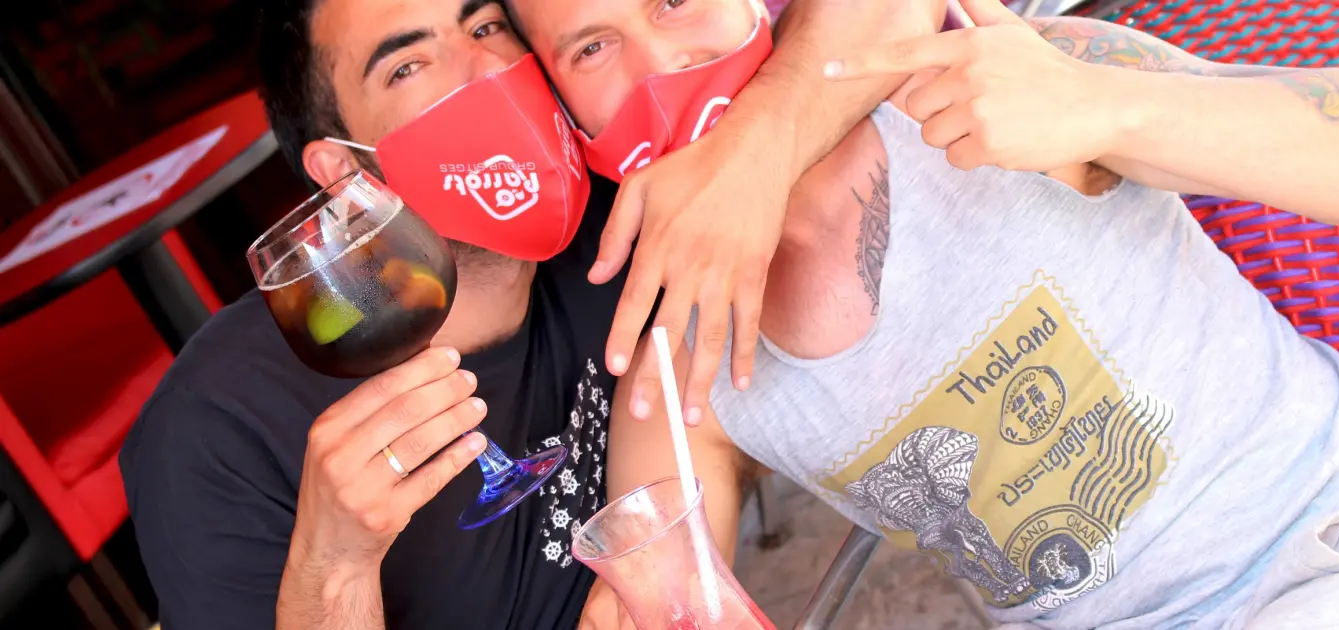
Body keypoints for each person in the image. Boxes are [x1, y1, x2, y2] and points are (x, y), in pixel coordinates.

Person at [504, 0, 1339, 627]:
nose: (657, 66)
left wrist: (1100, 103)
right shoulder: (681, 359)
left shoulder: (992, 79)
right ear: (565, 120)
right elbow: (665, 593)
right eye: (593, 46)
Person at [117, 0, 946, 628]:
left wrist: (754, 151)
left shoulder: (619, 201)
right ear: (344, 173)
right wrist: (334, 566)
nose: (481, 70)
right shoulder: (218, 427)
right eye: (408, 66)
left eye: (484, 27)